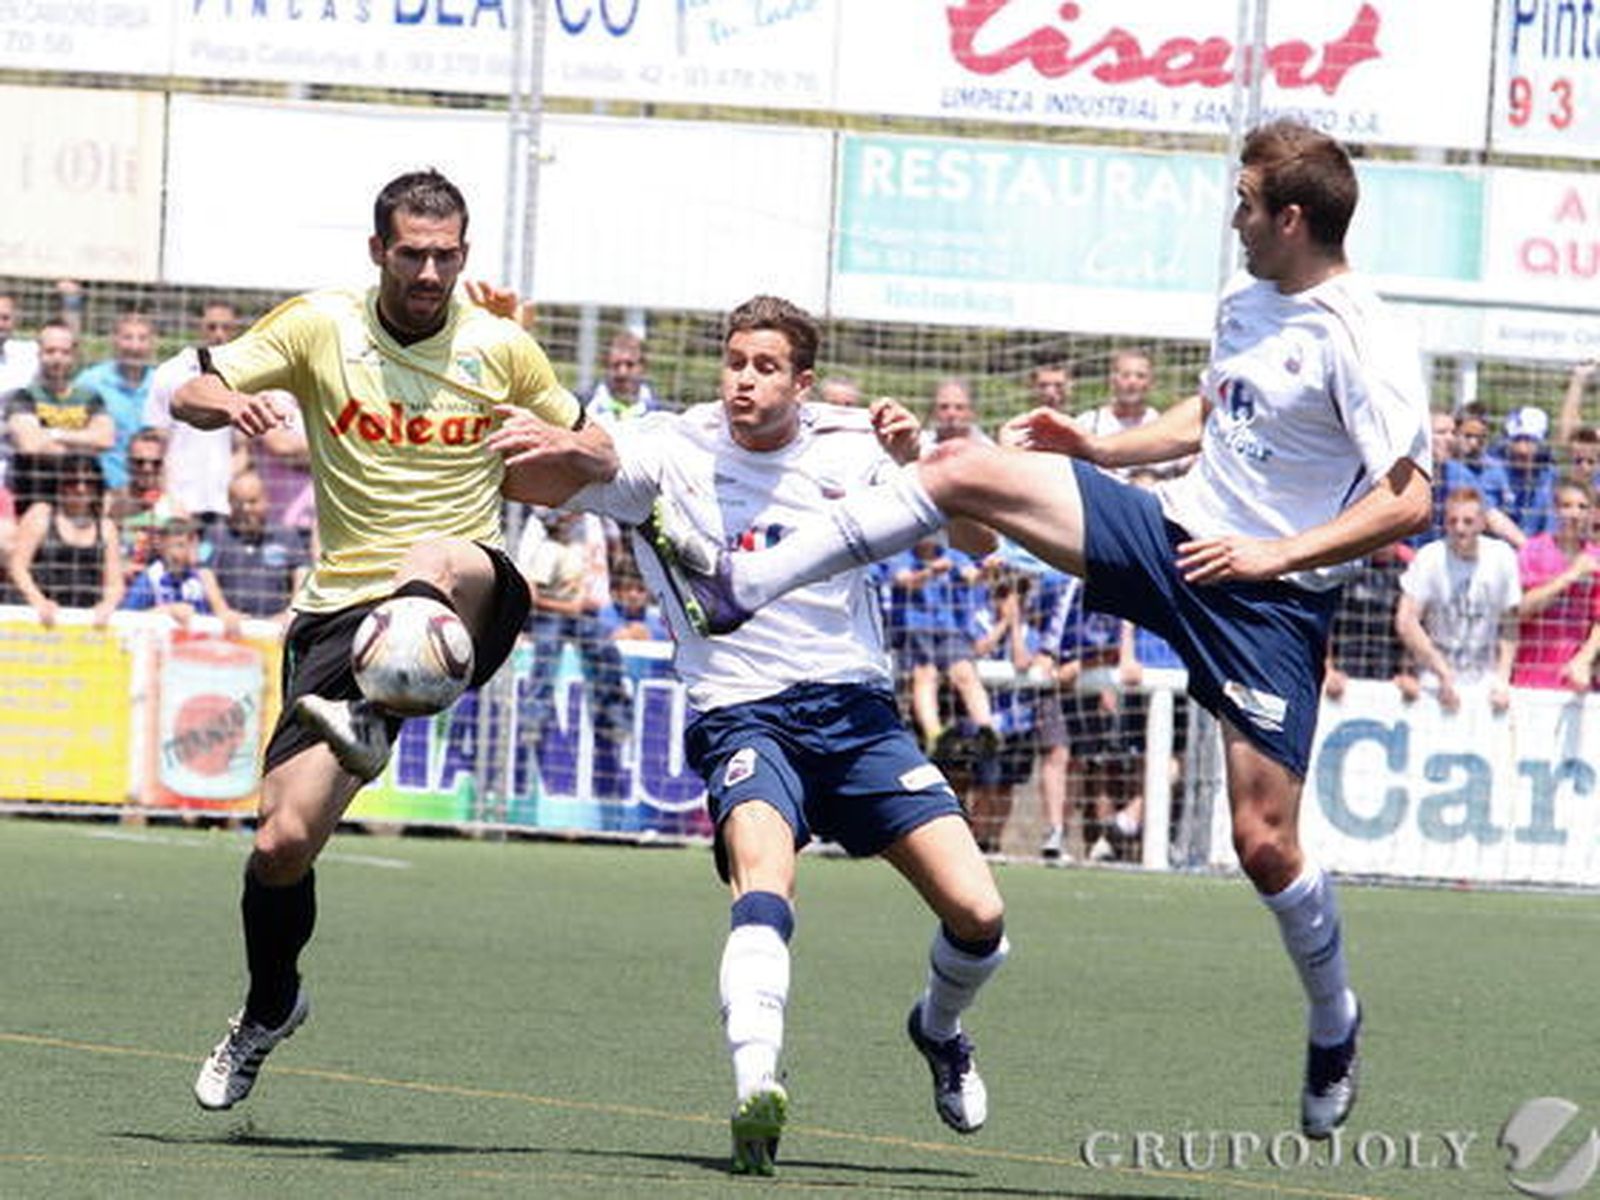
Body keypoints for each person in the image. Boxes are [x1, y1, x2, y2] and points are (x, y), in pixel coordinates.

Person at [656, 121, 1431, 1140]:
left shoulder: (1363, 335)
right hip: (1175, 533)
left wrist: (1269, 556)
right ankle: (748, 579)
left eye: (1243, 203)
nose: (1231, 218)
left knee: (1263, 844)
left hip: (1266, 598)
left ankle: (1334, 1018)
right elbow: (1213, 417)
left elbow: (1408, 500)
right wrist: (1101, 448)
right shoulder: (1244, 298)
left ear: (1290, 218)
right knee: (963, 466)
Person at [486, 295, 1009, 1176]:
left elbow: (978, 537)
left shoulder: (855, 447)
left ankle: (940, 1028)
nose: (744, 381)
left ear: (802, 383)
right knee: (765, 880)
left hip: (854, 714)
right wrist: (512, 424)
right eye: (735, 362)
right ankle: (756, 1086)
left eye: (766, 368)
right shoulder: (670, 448)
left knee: (980, 915)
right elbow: (540, 481)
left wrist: (920, 460)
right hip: (740, 713)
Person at [163, 169, 589, 1113]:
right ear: (378, 251)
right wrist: (227, 403)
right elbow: (189, 389)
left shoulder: (502, 348)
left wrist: (563, 450)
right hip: (338, 616)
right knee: (281, 843)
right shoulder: (321, 326)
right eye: (413, 253)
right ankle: (269, 1007)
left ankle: (369, 704)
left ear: (465, 255)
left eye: (447, 255)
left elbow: (591, 450)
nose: (430, 271)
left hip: (464, 586)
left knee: (438, 554)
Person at [1395, 487, 1521, 713]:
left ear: (1483, 523)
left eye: (1468, 521)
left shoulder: (1502, 557)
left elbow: (1510, 624)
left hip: (1486, 681)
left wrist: (1503, 678)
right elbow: (1406, 620)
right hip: (1433, 679)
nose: (1459, 528)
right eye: (1453, 521)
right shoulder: (1429, 557)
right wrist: (1440, 669)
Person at [144, 301, 247, 527]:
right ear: (199, 328)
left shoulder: (245, 376)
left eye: (226, 328)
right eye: (212, 327)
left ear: (236, 330)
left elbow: (242, 449)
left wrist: (229, 484)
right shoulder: (171, 372)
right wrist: (167, 496)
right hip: (179, 500)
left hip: (222, 504)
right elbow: (156, 443)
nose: (219, 334)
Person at [4, 320, 116, 515]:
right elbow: (30, 444)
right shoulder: (22, 396)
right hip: (33, 501)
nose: (57, 358)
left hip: (83, 504)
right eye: (50, 351)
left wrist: (52, 434)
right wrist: (84, 444)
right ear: (39, 354)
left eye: (64, 352)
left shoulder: (89, 397)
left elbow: (105, 439)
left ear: (74, 355)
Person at [6, 453, 123, 625]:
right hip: (37, 617)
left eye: (88, 482)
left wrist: (107, 605)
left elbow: (114, 583)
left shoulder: (106, 527)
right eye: (72, 482)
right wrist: (38, 601)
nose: (80, 488)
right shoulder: (41, 515)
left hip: (84, 619)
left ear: (98, 486)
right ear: (60, 484)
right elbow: (17, 567)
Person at [1512, 477, 1600, 691]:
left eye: (1582, 507)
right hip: (1530, 676)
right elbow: (1519, 611)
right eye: (1567, 505)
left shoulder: (1596, 558)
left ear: (1592, 513)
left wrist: (1585, 658)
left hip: (1577, 683)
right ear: (1555, 509)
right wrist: (1570, 576)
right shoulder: (1532, 551)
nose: (1574, 513)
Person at [201, 469, 310, 633]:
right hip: (230, 629)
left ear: (266, 500)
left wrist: (291, 613)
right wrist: (222, 611)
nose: (246, 509)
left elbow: (302, 573)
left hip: (274, 628)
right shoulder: (215, 534)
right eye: (239, 502)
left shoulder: (286, 535)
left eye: (252, 502)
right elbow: (203, 571)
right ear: (229, 502)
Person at [74, 311, 156, 494]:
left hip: (150, 490)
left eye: (142, 338)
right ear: (114, 340)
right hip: (99, 488)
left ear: (152, 343)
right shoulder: (90, 382)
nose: (135, 346)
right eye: (127, 337)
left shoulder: (161, 384)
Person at [109, 427, 186, 582]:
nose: (147, 469)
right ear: (127, 463)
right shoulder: (111, 503)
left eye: (155, 463)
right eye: (139, 462)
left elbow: (186, 562)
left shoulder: (175, 510)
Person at [121, 515, 211, 626]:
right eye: (173, 545)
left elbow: (218, 615)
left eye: (181, 545)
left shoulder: (201, 578)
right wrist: (168, 611)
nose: (174, 553)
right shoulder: (150, 579)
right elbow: (126, 619)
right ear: (162, 547)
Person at [581, 329, 663, 425]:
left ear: (643, 367)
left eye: (630, 365)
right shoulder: (583, 407)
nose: (622, 373)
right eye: (616, 365)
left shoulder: (661, 413)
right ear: (605, 366)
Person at [0, 292, 40, 395]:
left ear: (14, 321)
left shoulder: (28, 353)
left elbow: (66, 342)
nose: (0, 324)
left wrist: (71, 301)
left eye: (5, 318)